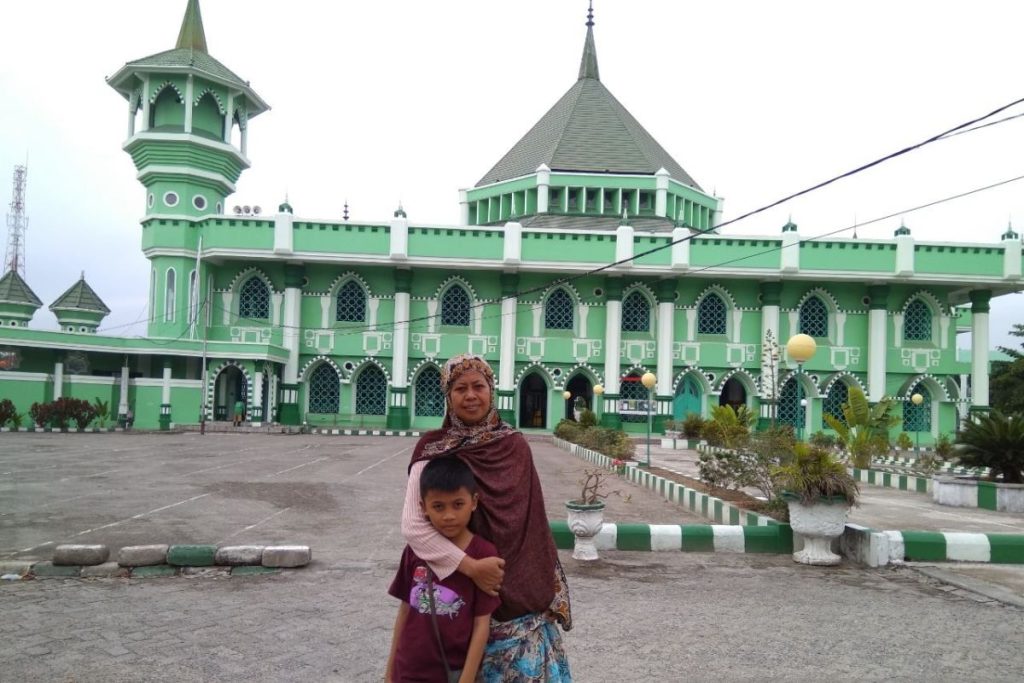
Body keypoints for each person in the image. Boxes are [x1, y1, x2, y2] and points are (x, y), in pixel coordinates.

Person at [401, 354, 572, 682]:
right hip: (461, 596)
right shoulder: (433, 449)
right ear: (448, 396)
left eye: (478, 386)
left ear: (491, 391)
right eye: (460, 388)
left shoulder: (515, 445)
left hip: (522, 609)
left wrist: (537, 585)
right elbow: (413, 525)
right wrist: (472, 568)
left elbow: (531, 522)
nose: (470, 395)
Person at [386, 456, 501, 683]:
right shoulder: (415, 550)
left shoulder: (483, 555)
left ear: (474, 502)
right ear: (423, 508)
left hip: (452, 673)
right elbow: (405, 611)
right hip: (407, 670)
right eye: (438, 506)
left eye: (458, 504)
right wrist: (390, 671)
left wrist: (467, 679)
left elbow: (482, 624)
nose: (449, 516)